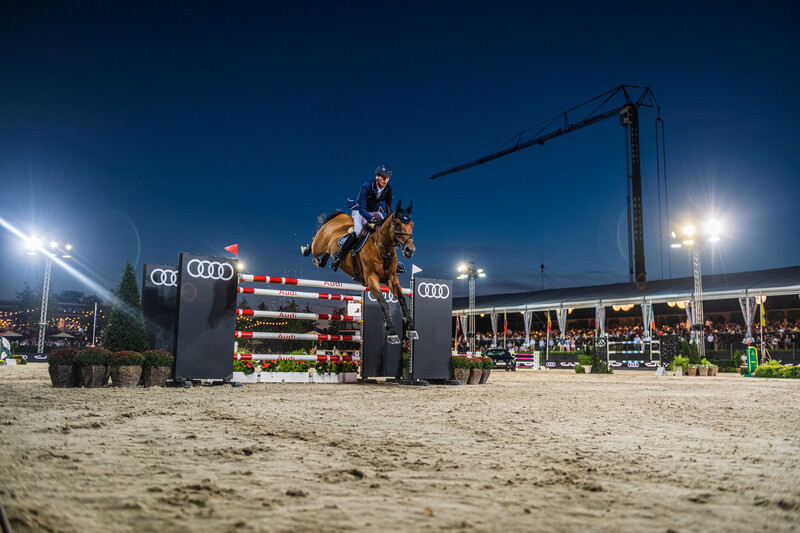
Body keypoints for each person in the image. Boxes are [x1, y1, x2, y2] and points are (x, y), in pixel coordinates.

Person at [331, 165, 397, 272]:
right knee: (358, 232)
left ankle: (393, 260)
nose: (385, 180)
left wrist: (390, 220)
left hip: (375, 211)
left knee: (386, 231)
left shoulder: (389, 189)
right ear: (377, 176)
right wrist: (372, 219)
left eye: (387, 178)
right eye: (383, 177)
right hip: (360, 210)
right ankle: (339, 256)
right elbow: (362, 209)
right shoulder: (366, 186)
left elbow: (389, 208)